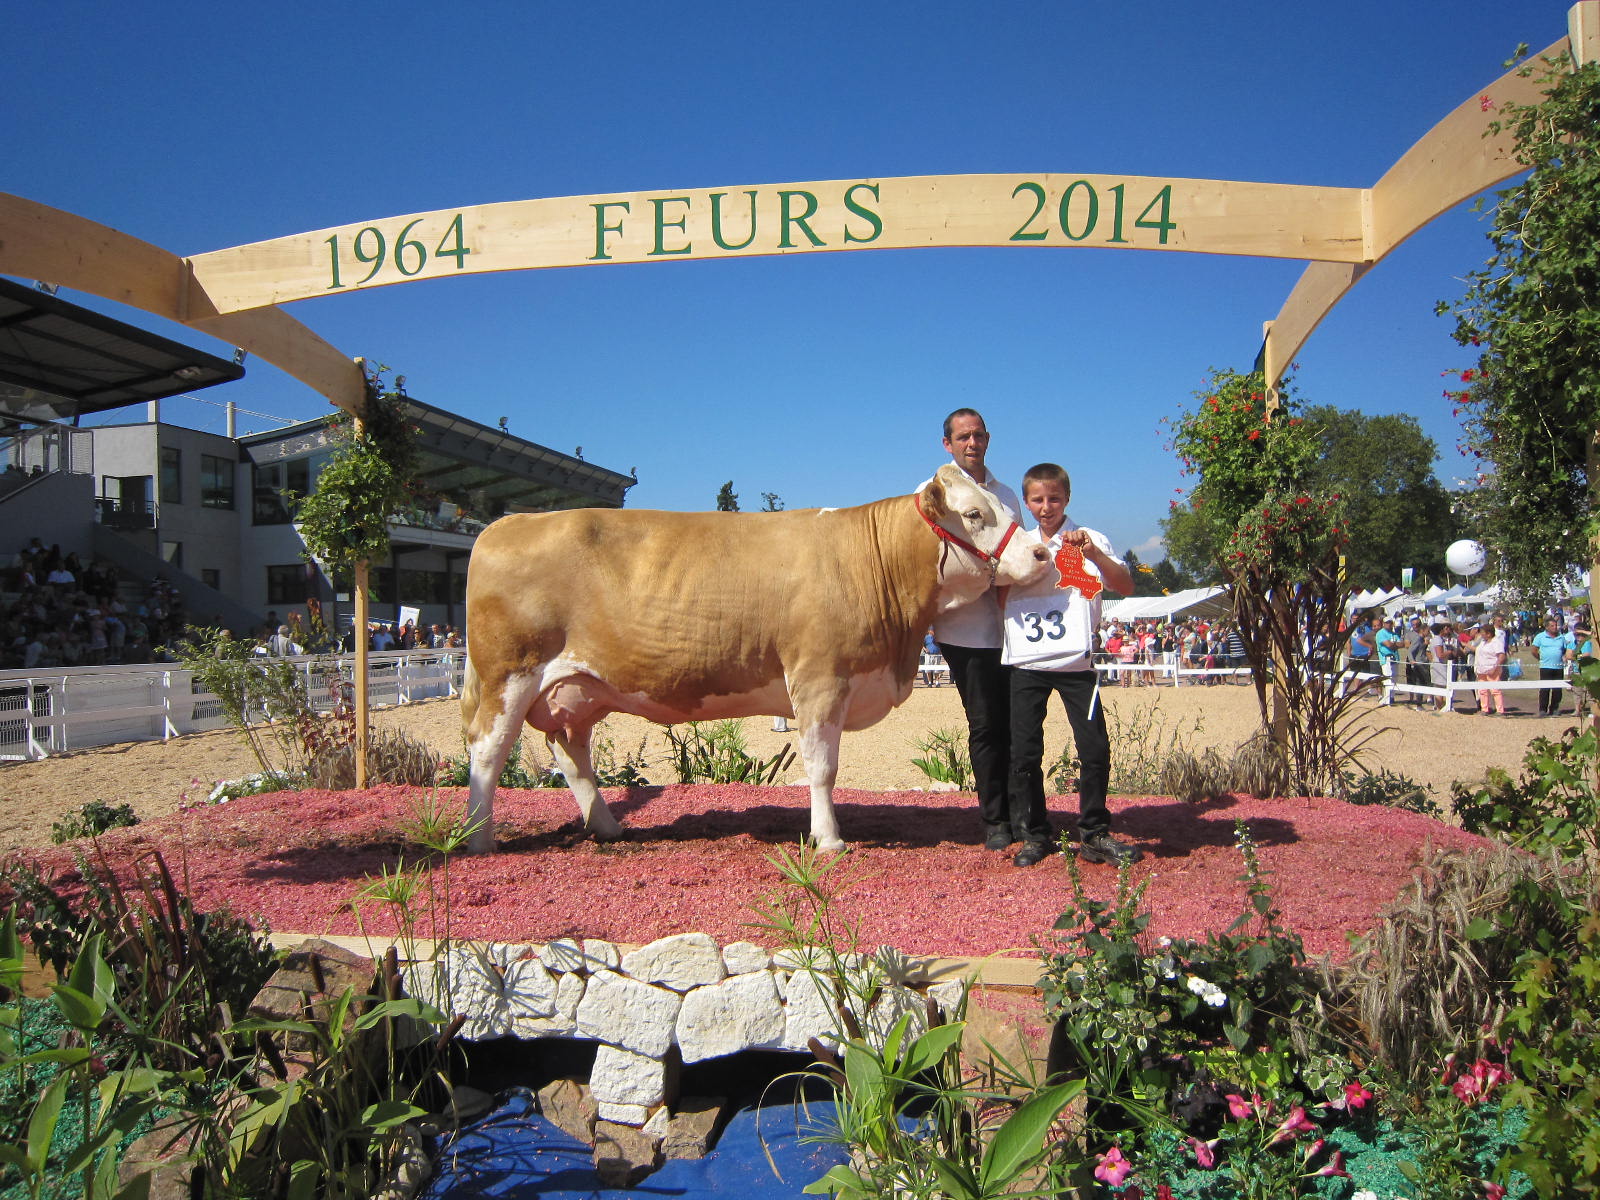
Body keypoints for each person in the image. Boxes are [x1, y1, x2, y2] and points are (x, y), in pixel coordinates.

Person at [1001, 462, 1139, 868]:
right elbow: (997, 597)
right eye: (1038, 500)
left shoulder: (1090, 538)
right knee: (1024, 752)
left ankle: (1095, 833)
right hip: (1028, 662)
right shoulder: (1017, 545)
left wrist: (1092, 554)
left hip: (1079, 664)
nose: (1047, 507)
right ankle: (1034, 834)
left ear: (1067, 499)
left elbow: (1126, 586)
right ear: (1026, 503)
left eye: (1055, 499)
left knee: (1094, 748)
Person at [924, 409, 1024, 850]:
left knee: (1018, 725)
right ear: (947, 443)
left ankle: (1023, 814)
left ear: (988, 439)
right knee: (985, 724)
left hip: (1014, 627)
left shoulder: (1007, 497)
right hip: (965, 630)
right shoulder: (932, 494)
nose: (972, 443)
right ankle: (995, 820)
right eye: (963, 437)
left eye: (978, 435)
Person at [1531, 615, 1575, 716]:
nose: (1555, 627)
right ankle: (1543, 709)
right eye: (1552, 626)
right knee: (1545, 689)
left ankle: (1554, 708)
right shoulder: (1540, 637)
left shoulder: (1561, 637)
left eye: (1555, 625)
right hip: (1545, 667)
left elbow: (1564, 650)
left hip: (1558, 667)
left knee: (1557, 689)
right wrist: (1540, 658)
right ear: (1546, 627)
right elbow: (1534, 650)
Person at [1472, 623, 1507, 716]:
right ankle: (1485, 709)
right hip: (1481, 670)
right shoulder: (1483, 642)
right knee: (1482, 690)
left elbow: (1501, 656)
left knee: (1495, 690)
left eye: (1483, 632)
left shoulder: (1496, 642)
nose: (1481, 634)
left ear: (1489, 633)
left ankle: (1500, 710)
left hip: (1492, 670)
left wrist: (1494, 668)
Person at [1374, 617, 1403, 706]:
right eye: (1387, 623)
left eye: (1390, 623)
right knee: (1388, 678)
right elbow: (1389, 645)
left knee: (1394, 678)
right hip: (1386, 659)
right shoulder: (1380, 633)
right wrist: (1395, 645)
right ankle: (1386, 698)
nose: (1388, 624)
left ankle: (1391, 697)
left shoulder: (1394, 633)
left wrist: (1394, 645)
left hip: (1395, 658)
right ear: (1383, 623)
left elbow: (1402, 644)